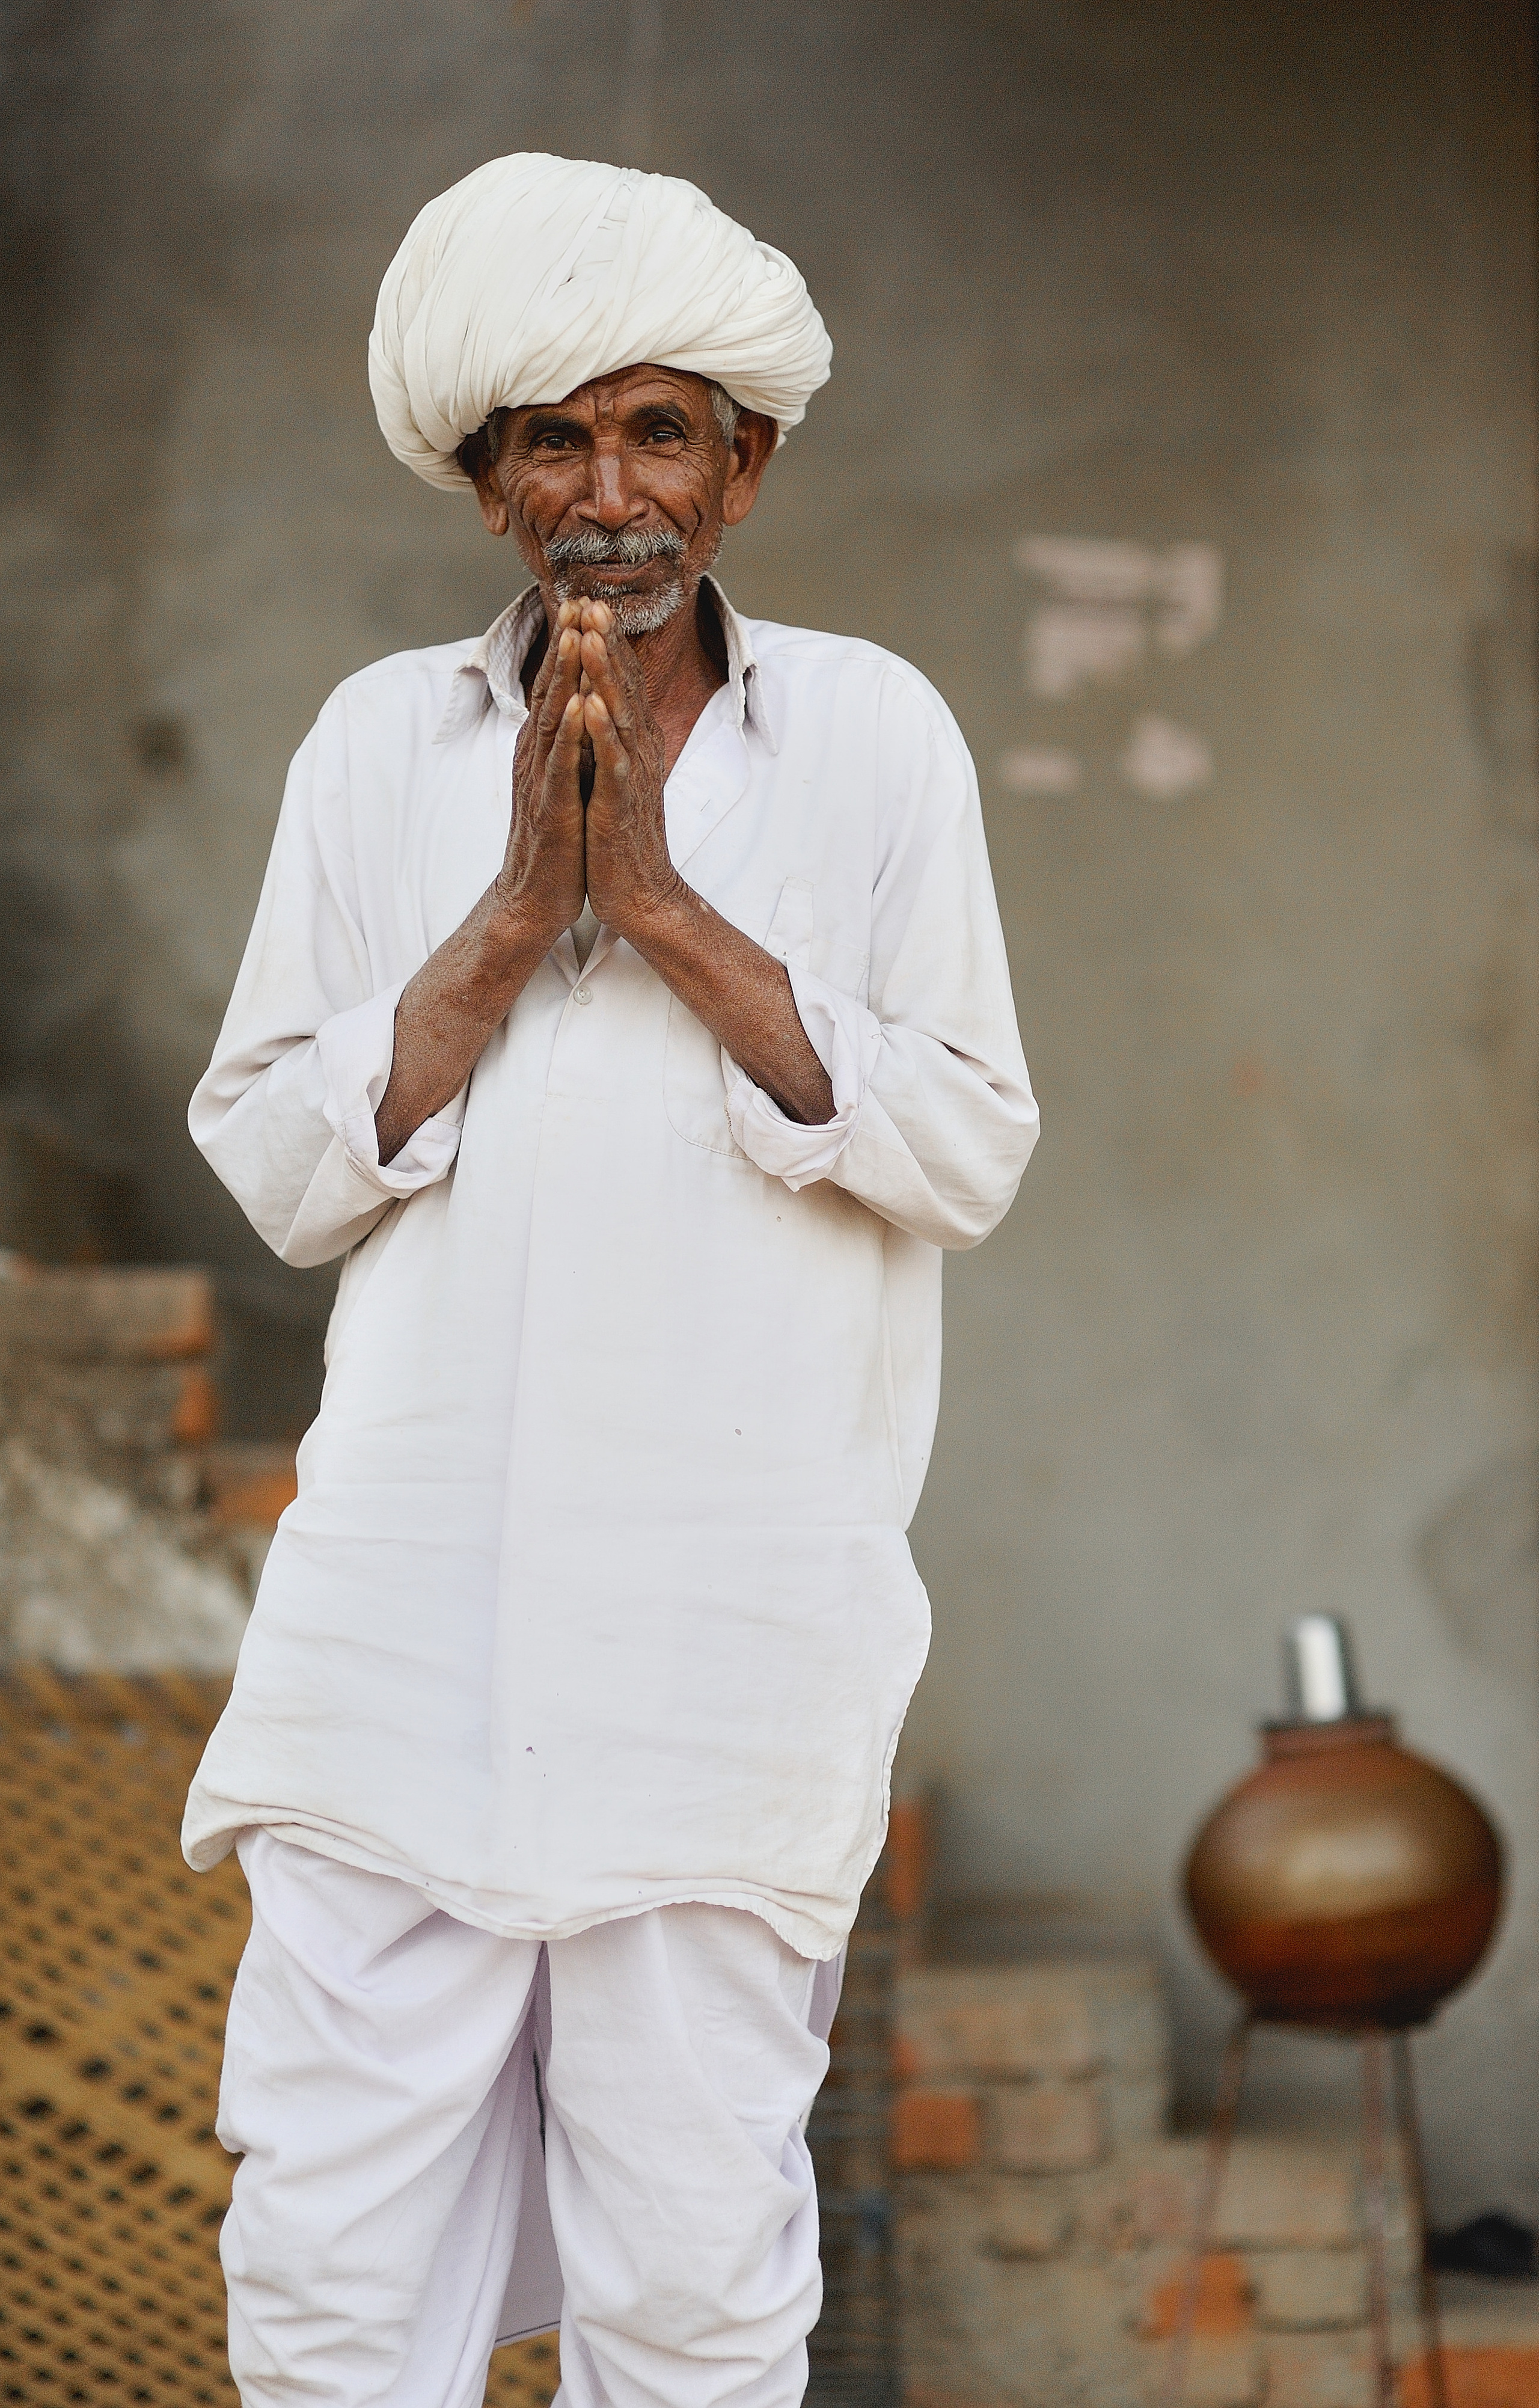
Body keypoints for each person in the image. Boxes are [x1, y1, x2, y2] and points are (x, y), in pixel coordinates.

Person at [184, 151, 1039, 2408]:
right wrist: (500, 926)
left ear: (743, 470)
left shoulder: (874, 741)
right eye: (551, 438)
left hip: (723, 1643)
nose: (609, 491)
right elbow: (275, 1161)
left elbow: (964, 1142)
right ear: (486, 486)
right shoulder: (380, 748)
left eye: (660, 431)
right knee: (328, 2275)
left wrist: (654, 904)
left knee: (689, 2287)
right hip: (397, 1640)